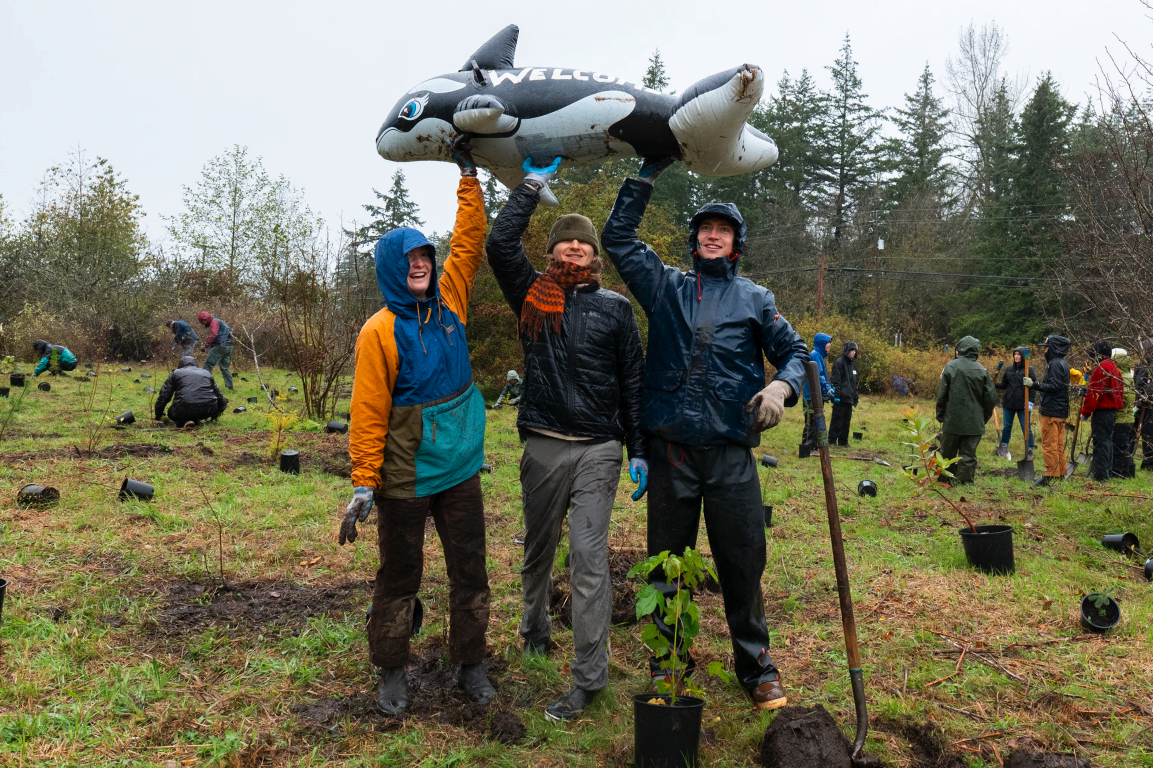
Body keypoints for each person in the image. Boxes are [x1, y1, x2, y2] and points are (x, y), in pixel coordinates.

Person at [602, 158, 809, 711]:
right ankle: (669, 661)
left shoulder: (756, 299)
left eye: (724, 229)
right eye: (705, 227)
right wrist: (645, 176)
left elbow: (794, 355)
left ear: (736, 242)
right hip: (672, 455)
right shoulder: (664, 286)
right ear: (694, 238)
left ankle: (756, 667)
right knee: (668, 564)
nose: (712, 235)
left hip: (730, 456)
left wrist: (780, 390)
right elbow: (617, 238)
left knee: (743, 561)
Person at [339, 141, 494, 717]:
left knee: (470, 569)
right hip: (404, 476)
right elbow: (368, 413)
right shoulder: (378, 331)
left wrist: (467, 174)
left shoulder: (450, 300)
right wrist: (363, 481)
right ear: (392, 269)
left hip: (459, 470)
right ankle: (392, 672)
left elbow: (471, 238)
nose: (421, 265)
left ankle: (470, 664)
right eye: (410, 260)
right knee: (401, 575)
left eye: (426, 256)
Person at [486, 170, 646, 721]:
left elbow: (632, 383)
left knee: (587, 558)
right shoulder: (531, 296)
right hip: (544, 445)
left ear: (594, 256)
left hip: (600, 448)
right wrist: (529, 187)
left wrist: (639, 449)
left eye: (583, 244)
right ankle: (534, 630)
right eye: (564, 242)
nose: (574, 248)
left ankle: (588, 679)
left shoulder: (617, 309)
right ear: (552, 250)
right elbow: (498, 244)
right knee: (538, 549)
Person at [935, 336, 997, 484]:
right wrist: (983, 418)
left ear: (960, 349)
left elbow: (942, 395)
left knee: (947, 453)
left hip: (952, 420)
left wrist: (941, 415)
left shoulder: (950, 367)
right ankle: (964, 482)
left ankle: (944, 480)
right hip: (974, 421)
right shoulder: (982, 370)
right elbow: (991, 398)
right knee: (968, 455)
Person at [1031, 335, 1071, 487]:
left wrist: (1035, 384)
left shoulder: (1054, 364)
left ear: (1053, 348)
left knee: (1049, 444)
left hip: (1051, 410)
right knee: (1059, 444)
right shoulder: (1062, 363)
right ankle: (1060, 473)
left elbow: (1053, 387)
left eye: (1046, 347)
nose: (1044, 350)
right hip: (1060, 410)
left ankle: (1050, 476)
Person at [1080, 341, 1123, 482]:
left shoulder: (1102, 368)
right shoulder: (1114, 367)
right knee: (1107, 441)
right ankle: (1106, 472)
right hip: (1112, 411)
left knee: (1101, 442)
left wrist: (1085, 412)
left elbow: (1094, 393)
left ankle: (1100, 476)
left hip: (1103, 412)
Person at [154, 356, 228, 425]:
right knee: (222, 402)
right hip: (208, 410)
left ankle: (186, 421)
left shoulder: (176, 373)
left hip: (183, 410)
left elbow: (164, 396)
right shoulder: (206, 373)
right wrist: (216, 414)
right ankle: (200, 420)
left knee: (171, 412)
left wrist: (158, 414)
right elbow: (219, 396)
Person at [994, 347, 1036, 460]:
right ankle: (1003, 447)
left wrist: (1030, 402)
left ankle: (1030, 449)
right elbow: (1004, 385)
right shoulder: (1009, 369)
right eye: (1015, 354)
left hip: (1023, 404)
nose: (1016, 356)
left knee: (1026, 427)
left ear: (1023, 356)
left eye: (1018, 354)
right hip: (1009, 403)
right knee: (1007, 426)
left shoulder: (1029, 370)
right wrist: (992, 384)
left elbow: (1033, 387)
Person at [801, 333, 834, 452]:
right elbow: (818, 376)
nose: (829, 345)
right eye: (827, 342)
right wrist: (827, 388)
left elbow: (822, 376)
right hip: (811, 395)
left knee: (817, 421)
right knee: (810, 422)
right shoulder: (815, 355)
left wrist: (827, 388)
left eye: (830, 342)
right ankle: (807, 447)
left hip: (817, 395)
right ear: (821, 343)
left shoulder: (820, 356)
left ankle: (814, 446)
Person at [1110, 349, 1137, 479]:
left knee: (1120, 448)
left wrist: (1111, 398)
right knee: (1120, 446)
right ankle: (1119, 471)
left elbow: (1125, 398)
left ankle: (1120, 473)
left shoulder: (1122, 377)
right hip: (1125, 417)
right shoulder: (1127, 375)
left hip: (1122, 417)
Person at [828, 341, 859, 447]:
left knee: (846, 421)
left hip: (849, 397)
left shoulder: (853, 365)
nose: (853, 352)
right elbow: (836, 381)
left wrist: (855, 396)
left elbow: (855, 382)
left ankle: (843, 441)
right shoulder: (839, 363)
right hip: (840, 397)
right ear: (847, 351)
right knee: (837, 420)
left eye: (855, 350)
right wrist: (836, 396)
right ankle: (832, 441)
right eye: (851, 350)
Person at [197, 311, 233, 390]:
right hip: (229, 346)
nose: (204, 324)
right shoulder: (221, 323)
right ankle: (230, 387)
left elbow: (214, 334)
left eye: (204, 321)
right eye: (202, 322)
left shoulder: (214, 322)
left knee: (208, 366)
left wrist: (205, 344)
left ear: (208, 318)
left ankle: (203, 387)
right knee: (225, 368)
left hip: (219, 347)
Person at [1135, 341, 1153, 471]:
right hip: (1138, 405)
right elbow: (1136, 384)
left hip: (1149, 406)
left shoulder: (1150, 368)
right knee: (1137, 432)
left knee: (1149, 433)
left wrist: (1145, 398)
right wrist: (1137, 401)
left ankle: (1149, 461)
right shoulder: (1140, 365)